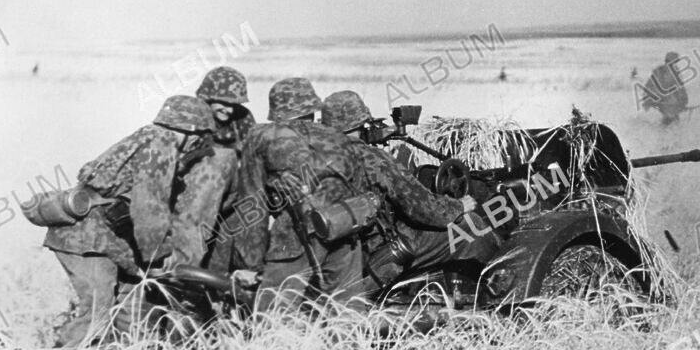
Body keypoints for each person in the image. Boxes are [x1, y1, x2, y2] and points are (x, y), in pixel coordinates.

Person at [43, 95, 216, 350]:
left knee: (128, 307)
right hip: (86, 238)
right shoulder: (162, 145)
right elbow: (150, 208)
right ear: (193, 132)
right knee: (97, 313)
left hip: (102, 236)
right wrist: (159, 256)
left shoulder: (148, 136)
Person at [234, 78, 399, 312]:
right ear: (313, 108)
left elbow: (252, 203)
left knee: (275, 315)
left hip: (297, 232)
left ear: (277, 109)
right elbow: (359, 188)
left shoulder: (262, 136)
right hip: (344, 228)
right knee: (347, 316)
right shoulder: (336, 136)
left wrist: (251, 263)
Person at [320, 91, 488, 299]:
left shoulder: (313, 161)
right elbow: (424, 209)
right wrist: (459, 206)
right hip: (376, 260)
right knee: (472, 225)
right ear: (361, 123)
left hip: (337, 263)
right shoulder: (373, 160)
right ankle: (482, 298)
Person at [171, 66, 255, 272]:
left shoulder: (243, 119)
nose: (229, 110)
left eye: (234, 104)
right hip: (193, 193)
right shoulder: (191, 115)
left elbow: (251, 153)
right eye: (224, 103)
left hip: (230, 192)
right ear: (207, 98)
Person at [642, 51, 690, 125]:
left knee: (668, 117)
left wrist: (647, 101)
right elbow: (679, 88)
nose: (676, 63)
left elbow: (648, 86)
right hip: (666, 100)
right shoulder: (673, 71)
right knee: (672, 119)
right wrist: (684, 101)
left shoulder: (658, 70)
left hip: (655, 99)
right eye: (676, 61)